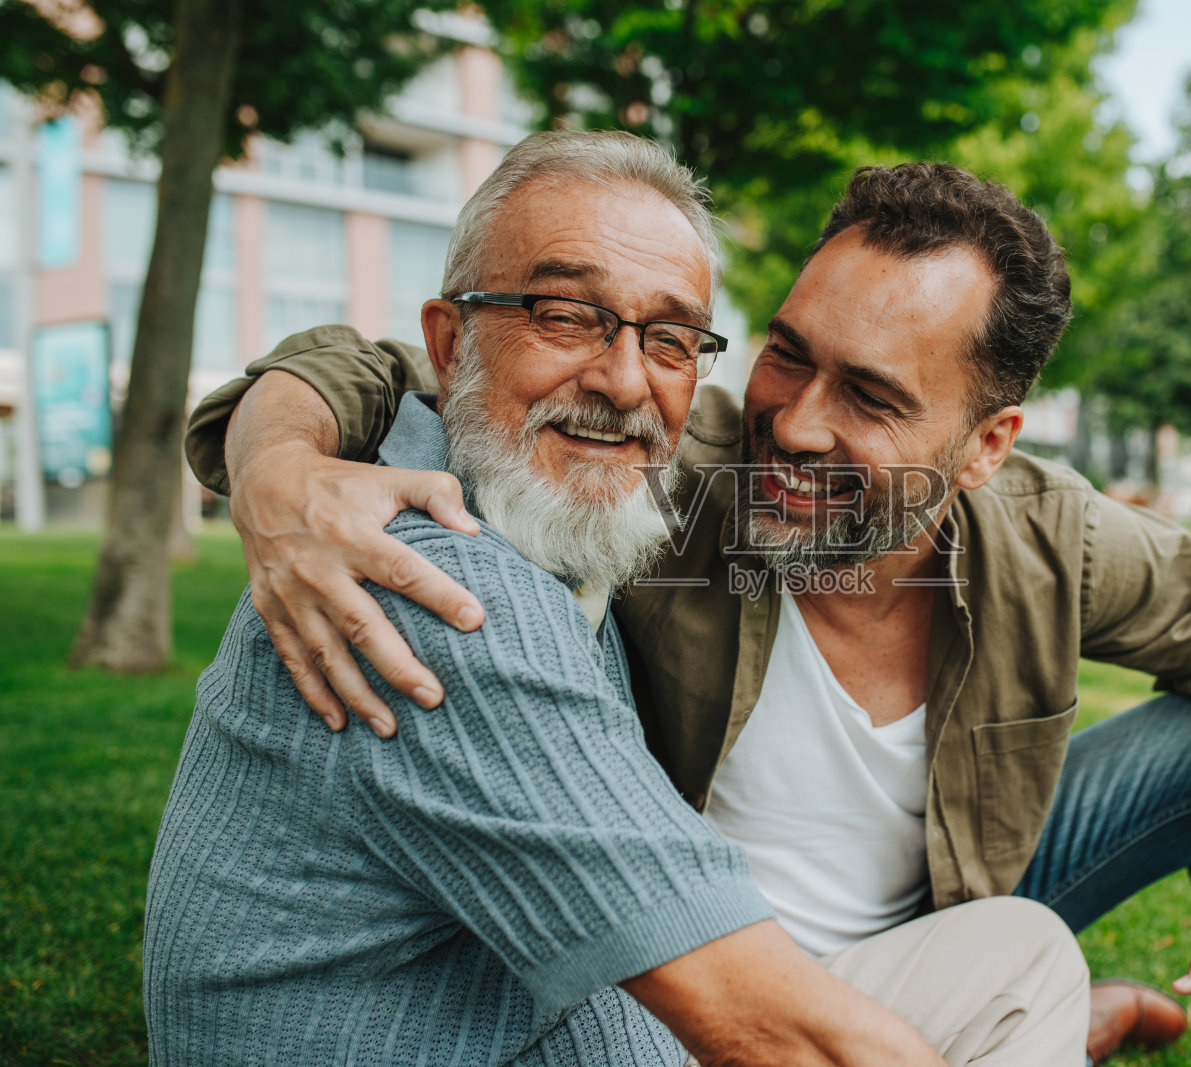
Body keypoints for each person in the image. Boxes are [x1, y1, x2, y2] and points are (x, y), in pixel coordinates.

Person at [188, 160, 1191, 1067]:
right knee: (1000, 983)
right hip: (704, 946)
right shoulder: (661, 453)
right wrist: (276, 468)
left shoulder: (1046, 533)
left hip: (932, 898)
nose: (798, 420)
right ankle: (1058, 1028)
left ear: (985, 445)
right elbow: (397, 369)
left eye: (873, 396)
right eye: (788, 353)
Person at [146, 131, 1093, 1067]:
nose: (625, 380)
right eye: (564, 315)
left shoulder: (548, 519)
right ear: (450, 341)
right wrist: (273, 458)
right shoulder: (440, 595)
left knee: (1022, 955)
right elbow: (771, 1031)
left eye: (672, 338)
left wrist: (274, 454)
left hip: (571, 1020)